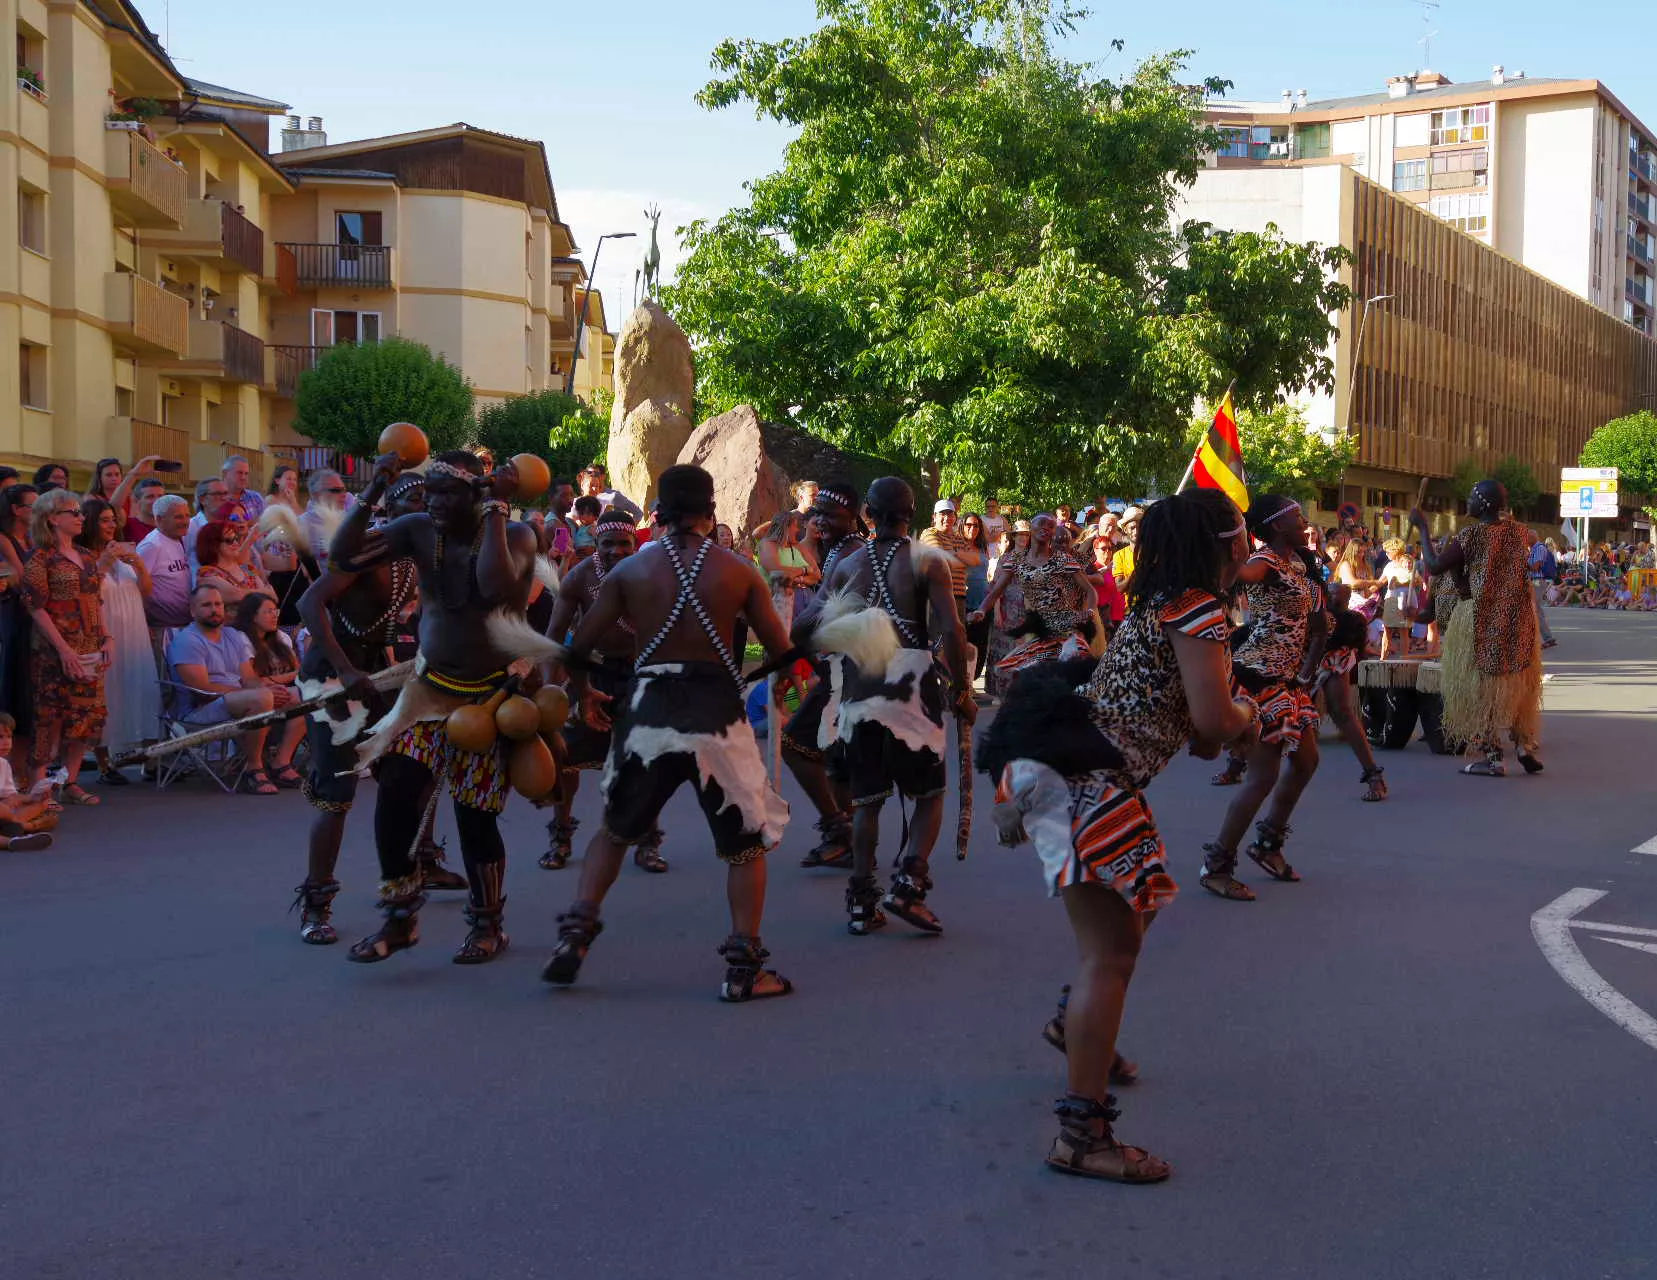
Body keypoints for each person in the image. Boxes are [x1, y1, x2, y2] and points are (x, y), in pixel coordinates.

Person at [981, 488, 1256, 1184]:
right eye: (1244, 530)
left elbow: (1188, 726)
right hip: (1087, 782)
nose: (1249, 541)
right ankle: (1081, 1135)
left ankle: (1076, 1030)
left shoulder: (1157, 605)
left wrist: (1213, 718)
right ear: (1226, 542)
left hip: (1065, 771)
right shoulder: (1197, 611)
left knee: (1121, 936)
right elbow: (1215, 724)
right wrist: (1248, 710)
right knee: (1111, 956)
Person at [542, 464, 796, 1001]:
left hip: (648, 711)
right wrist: (771, 681)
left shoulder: (631, 571)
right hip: (714, 715)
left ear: (657, 512)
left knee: (614, 830)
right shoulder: (738, 571)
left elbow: (575, 647)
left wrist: (582, 692)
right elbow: (780, 651)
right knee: (745, 848)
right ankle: (744, 971)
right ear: (710, 513)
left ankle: (576, 937)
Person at [334, 451, 538, 965]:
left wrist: (496, 509)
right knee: (396, 797)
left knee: (475, 818)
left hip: (491, 696)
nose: (437, 502)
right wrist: (374, 487)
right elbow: (342, 557)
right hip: (428, 693)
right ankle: (399, 916)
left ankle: (488, 924)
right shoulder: (417, 528)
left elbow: (492, 587)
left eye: (450, 494)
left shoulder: (515, 536)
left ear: (477, 494)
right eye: (432, 492)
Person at [290, 473, 467, 947]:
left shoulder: (418, 559)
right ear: (392, 510)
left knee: (414, 769)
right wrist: (346, 670)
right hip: (330, 678)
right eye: (414, 501)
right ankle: (316, 901)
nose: (425, 509)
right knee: (338, 791)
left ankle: (421, 859)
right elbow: (311, 604)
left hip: (375, 676)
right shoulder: (367, 552)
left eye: (429, 501)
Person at [795, 477, 974, 936]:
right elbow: (951, 631)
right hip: (911, 681)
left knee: (868, 800)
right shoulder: (927, 560)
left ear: (867, 516)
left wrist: (834, 656)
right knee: (930, 794)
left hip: (860, 683)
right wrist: (961, 690)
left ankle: (860, 904)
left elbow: (803, 628)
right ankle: (907, 885)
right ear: (911, 515)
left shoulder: (846, 565)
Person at [1200, 495, 1328, 901]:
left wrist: (1307, 670)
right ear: (1275, 527)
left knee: (1306, 760)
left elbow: (1316, 624)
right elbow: (1244, 574)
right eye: (1297, 518)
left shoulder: (1299, 564)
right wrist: (1230, 553)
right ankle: (1216, 865)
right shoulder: (1268, 562)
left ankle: (1267, 845)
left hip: (1286, 681)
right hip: (1258, 678)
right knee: (1264, 775)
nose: (1305, 522)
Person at [537, 510, 662, 872]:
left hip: (640, 675)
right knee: (565, 757)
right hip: (589, 675)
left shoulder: (650, 574)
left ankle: (648, 840)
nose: (616, 551)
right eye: (608, 544)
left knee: (645, 759)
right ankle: (560, 835)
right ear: (596, 543)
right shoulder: (580, 577)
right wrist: (550, 689)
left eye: (624, 544)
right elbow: (555, 635)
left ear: (633, 544)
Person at [1410, 480, 1543, 777]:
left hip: (1479, 617)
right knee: (1518, 679)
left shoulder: (1470, 535)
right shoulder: (1518, 532)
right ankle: (1523, 745)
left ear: (1483, 503)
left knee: (1476, 689)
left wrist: (1422, 527)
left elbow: (1433, 565)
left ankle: (1493, 758)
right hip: (1516, 615)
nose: (1466, 501)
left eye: (1471, 496)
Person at [780, 481, 865, 868]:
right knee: (837, 755)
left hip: (849, 671)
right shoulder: (836, 553)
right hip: (841, 669)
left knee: (796, 745)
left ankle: (839, 829)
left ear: (854, 518)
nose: (822, 521)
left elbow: (806, 625)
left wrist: (799, 654)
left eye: (832, 515)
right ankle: (845, 838)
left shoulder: (852, 555)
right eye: (818, 514)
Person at [23, 489, 109, 805]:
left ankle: (70, 781)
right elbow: (35, 607)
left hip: (88, 645)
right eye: (72, 512)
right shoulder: (40, 558)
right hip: (54, 649)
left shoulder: (87, 556)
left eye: (79, 512)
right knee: (51, 716)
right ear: (52, 518)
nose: (80, 517)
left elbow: (95, 600)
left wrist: (106, 637)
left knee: (87, 714)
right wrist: (63, 649)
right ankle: (39, 787)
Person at [167, 585, 280, 795]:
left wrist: (269, 689)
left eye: (218, 604)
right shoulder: (187, 640)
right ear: (192, 610)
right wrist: (255, 695)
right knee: (261, 700)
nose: (215, 610)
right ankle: (253, 768)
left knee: (297, 696)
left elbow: (249, 678)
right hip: (199, 710)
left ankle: (281, 762)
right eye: (207, 605)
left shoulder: (233, 636)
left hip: (236, 700)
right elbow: (200, 689)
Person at [77, 498, 155, 785]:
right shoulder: (82, 556)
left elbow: (146, 590)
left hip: (133, 628)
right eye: (105, 520)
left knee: (137, 688)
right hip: (105, 627)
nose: (112, 525)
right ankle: (104, 762)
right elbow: (84, 592)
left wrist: (139, 565)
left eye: (114, 520)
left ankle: (144, 757)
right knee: (106, 692)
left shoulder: (124, 551)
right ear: (90, 522)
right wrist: (104, 563)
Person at [970, 513, 1095, 675]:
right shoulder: (1016, 560)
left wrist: (1090, 612)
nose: (1046, 528)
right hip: (1038, 629)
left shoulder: (1063, 559)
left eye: (1051, 526)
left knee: (1065, 676)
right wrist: (981, 610)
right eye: (1041, 524)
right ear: (1031, 529)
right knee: (1010, 671)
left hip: (1065, 628)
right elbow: (996, 591)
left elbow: (1090, 591)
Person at [233, 593, 305, 786]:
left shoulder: (281, 637)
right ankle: (254, 766)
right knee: (268, 697)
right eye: (268, 611)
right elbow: (251, 680)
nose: (274, 615)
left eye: (276, 611)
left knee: (307, 697)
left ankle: (281, 762)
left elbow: (299, 671)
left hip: (281, 693)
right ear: (252, 616)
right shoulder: (241, 639)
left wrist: (272, 680)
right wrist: (282, 679)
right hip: (252, 696)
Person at [0, 484, 38, 773]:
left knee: (29, 701)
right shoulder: (4, 540)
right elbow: (26, 580)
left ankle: (23, 772)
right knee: (15, 694)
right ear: (16, 510)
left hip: (31, 622)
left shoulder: (32, 540)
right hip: (13, 622)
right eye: (32, 505)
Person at [137, 495, 193, 641]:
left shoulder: (176, 538)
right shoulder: (151, 546)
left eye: (187, 516)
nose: (186, 521)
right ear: (159, 519)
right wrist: (143, 625)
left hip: (181, 625)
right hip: (162, 629)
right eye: (178, 517)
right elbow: (137, 588)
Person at [917, 499, 980, 623]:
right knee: (938, 638)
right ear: (934, 517)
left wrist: (955, 553)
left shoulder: (959, 538)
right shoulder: (930, 533)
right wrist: (963, 560)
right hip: (937, 596)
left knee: (957, 638)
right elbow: (940, 561)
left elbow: (976, 560)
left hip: (959, 598)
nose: (947, 518)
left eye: (950, 514)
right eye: (942, 514)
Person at [0, 712, 56, 849]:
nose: (6, 742)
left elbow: (11, 797)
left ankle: (15, 831)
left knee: (39, 806)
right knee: (5, 812)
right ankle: (24, 831)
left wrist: (33, 798)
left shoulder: (3, 764)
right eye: (0, 737)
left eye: (9, 737)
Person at [195, 518, 270, 610]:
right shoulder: (207, 573)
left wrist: (266, 592)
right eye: (229, 540)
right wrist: (266, 592)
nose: (235, 543)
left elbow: (269, 596)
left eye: (236, 539)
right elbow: (237, 595)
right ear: (214, 545)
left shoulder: (245, 567)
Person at [960, 512, 992, 689]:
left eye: (976, 525)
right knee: (964, 644)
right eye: (968, 525)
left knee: (980, 645)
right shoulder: (956, 546)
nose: (972, 529)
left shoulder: (982, 547)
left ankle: (971, 681)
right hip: (963, 602)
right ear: (962, 526)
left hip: (983, 601)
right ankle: (961, 684)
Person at [299, 469, 349, 567]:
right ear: (317, 495)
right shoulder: (303, 524)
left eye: (344, 490)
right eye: (336, 490)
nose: (344, 495)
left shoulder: (346, 518)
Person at [86, 455, 161, 517]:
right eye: (109, 475)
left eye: (117, 474)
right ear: (99, 478)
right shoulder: (92, 498)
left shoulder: (130, 496)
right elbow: (111, 512)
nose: (114, 478)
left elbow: (134, 518)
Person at [576, 462, 642, 522]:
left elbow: (638, 513)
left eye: (596, 474)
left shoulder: (613, 496)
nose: (592, 476)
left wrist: (627, 530)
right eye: (589, 473)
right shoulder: (581, 501)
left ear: (603, 476)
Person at [186, 476, 230, 564]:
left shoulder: (229, 525)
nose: (224, 498)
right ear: (202, 499)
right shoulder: (190, 527)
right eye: (218, 494)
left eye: (225, 493)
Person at [1528, 532, 1559, 648]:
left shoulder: (1539, 548)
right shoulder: (1534, 549)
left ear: (1533, 537)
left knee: (1535, 609)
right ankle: (1548, 638)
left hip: (1537, 581)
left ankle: (1544, 638)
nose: (1525, 539)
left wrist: (1522, 562)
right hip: (1536, 581)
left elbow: (1536, 566)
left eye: (1527, 537)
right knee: (1537, 610)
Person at [222, 455, 264, 522]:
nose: (243, 477)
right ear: (225, 473)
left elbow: (265, 527)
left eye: (246, 474)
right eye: (239, 473)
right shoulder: (217, 499)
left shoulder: (256, 498)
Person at [124, 477, 166, 544]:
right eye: (150, 496)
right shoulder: (128, 525)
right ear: (137, 500)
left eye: (160, 496)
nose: (156, 501)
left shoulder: (170, 528)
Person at [1110, 507, 1144, 589]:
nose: (1136, 532)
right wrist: (1136, 572)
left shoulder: (1154, 552)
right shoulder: (1119, 556)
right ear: (1125, 530)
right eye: (1132, 528)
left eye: (1139, 527)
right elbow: (1119, 588)